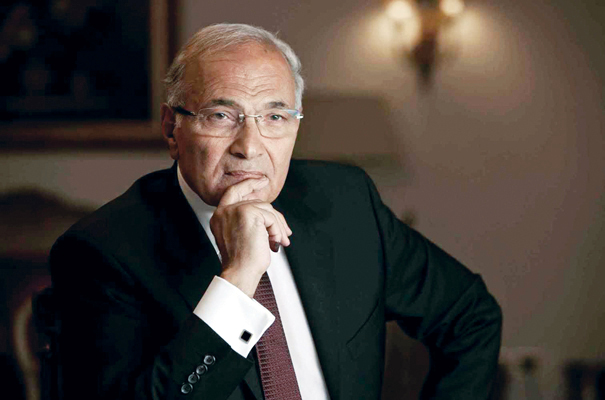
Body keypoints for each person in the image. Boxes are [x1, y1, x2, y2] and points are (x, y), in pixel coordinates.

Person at [49, 23, 502, 400]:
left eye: (275, 117)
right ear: (172, 128)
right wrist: (238, 279)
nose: (249, 147)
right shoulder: (102, 251)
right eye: (221, 116)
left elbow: (470, 315)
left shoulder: (344, 202)